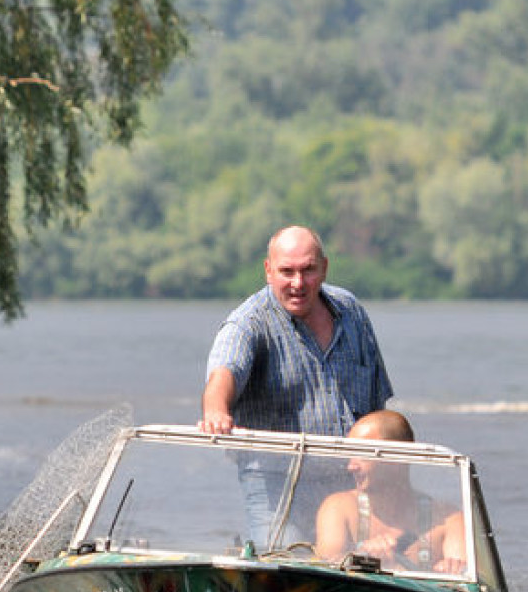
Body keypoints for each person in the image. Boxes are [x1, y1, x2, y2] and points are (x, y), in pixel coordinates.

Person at [200, 225, 393, 436]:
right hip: (274, 467)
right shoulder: (247, 323)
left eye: (308, 269)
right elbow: (225, 371)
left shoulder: (351, 311)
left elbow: (378, 410)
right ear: (268, 271)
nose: (298, 283)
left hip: (351, 467)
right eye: (287, 271)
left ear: (324, 268)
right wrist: (216, 412)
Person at [315, 410, 467, 574]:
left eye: (362, 454)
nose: (351, 467)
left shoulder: (449, 520)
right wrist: (363, 559)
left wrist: (450, 570)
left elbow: (469, 591)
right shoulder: (339, 508)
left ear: (398, 457)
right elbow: (326, 571)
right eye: (351, 455)